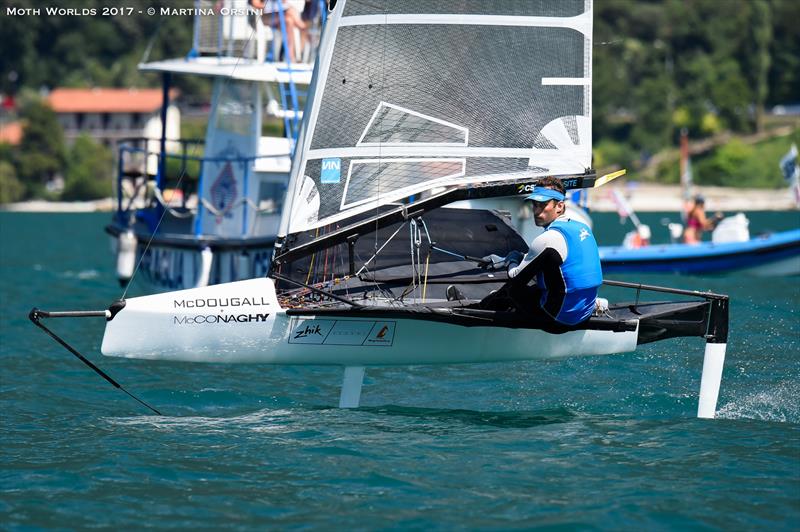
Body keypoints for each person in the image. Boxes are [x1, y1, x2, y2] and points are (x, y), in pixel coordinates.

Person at [482, 176, 603, 327]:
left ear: (559, 206)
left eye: (543, 205)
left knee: (512, 290)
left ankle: (480, 308)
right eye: (534, 204)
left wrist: (512, 258)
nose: (537, 211)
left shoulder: (547, 239)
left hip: (559, 319)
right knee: (538, 283)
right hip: (584, 312)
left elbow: (515, 277)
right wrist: (521, 257)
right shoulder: (582, 227)